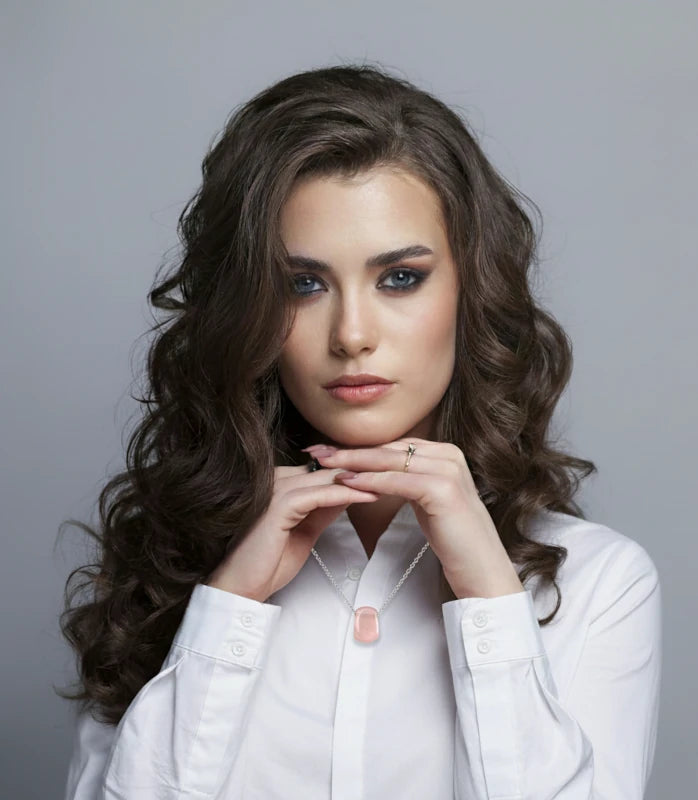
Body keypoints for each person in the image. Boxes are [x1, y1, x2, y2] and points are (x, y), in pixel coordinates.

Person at [58, 62, 662, 799]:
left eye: (400, 277)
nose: (351, 334)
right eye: (301, 284)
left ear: (473, 288)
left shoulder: (598, 584)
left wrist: (491, 602)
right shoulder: (178, 560)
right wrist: (226, 613)